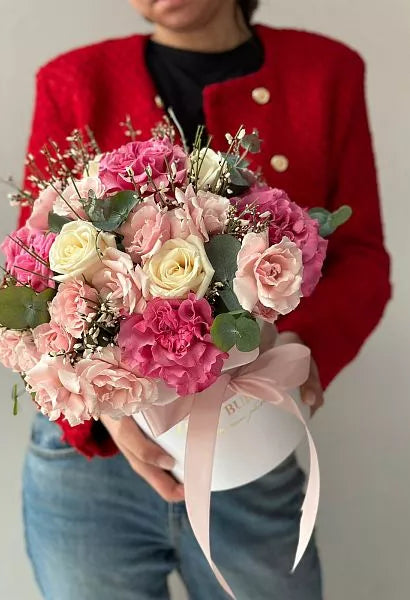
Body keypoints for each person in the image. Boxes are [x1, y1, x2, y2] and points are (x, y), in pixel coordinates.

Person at [21, 1, 391, 598]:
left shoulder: (325, 71)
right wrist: (106, 405)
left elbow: (362, 259)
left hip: (250, 450)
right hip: (95, 461)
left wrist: (294, 353)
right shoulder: (73, 79)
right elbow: (34, 273)